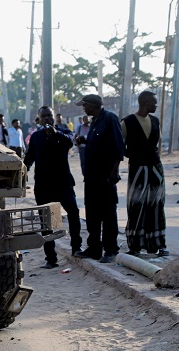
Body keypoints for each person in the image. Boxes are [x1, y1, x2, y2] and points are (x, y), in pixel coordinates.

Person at [23, 106, 82, 268]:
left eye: (50, 115)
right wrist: (22, 171)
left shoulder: (64, 132)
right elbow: (29, 158)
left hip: (63, 183)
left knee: (73, 213)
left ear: (54, 117)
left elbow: (70, 142)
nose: (47, 118)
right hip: (43, 186)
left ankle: (76, 247)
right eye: (44, 116)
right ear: (39, 119)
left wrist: (56, 134)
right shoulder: (35, 137)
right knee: (46, 222)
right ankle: (51, 258)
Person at [74, 94, 125, 263]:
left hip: (105, 176)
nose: (83, 108)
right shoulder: (95, 121)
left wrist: (114, 171)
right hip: (91, 177)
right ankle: (94, 248)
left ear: (91, 105)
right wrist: (85, 141)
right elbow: (99, 143)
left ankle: (111, 249)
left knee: (108, 213)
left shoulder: (109, 118)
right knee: (93, 213)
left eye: (84, 105)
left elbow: (118, 146)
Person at [121, 91, 169, 257]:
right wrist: (135, 155)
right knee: (136, 205)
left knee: (156, 205)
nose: (156, 106)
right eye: (154, 103)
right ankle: (135, 245)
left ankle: (157, 244)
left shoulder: (155, 121)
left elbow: (155, 145)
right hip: (138, 169)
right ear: (146, 103)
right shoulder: (127, 122)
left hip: (156, 169)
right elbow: (121, 147)